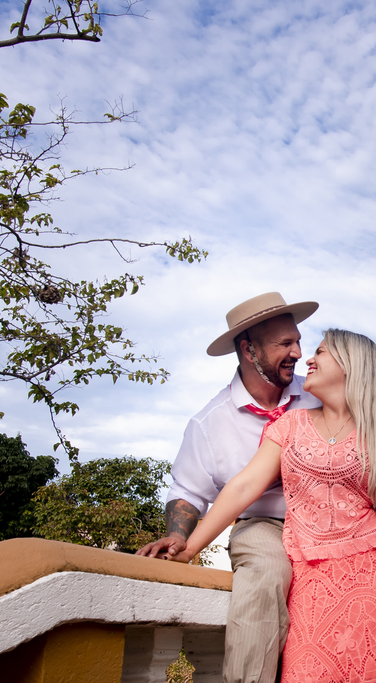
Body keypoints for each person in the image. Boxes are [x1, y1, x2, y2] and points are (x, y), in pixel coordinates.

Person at [173, 328, 376, 683]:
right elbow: (243, 487)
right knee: (307, 670)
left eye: (321, 352)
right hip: (310, 574)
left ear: (350, 365)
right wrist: (188, 549)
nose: (308, 357)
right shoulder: (290, 424)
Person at [136, 291, 324, 683]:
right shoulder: (209, 423)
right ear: (248, 349)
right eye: (285, 343)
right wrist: (177, 536)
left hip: (328, 520)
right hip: (264, 524)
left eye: (298, 340)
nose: (297, 352)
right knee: (266, 571)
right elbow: (188, 491)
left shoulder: (320, 394)